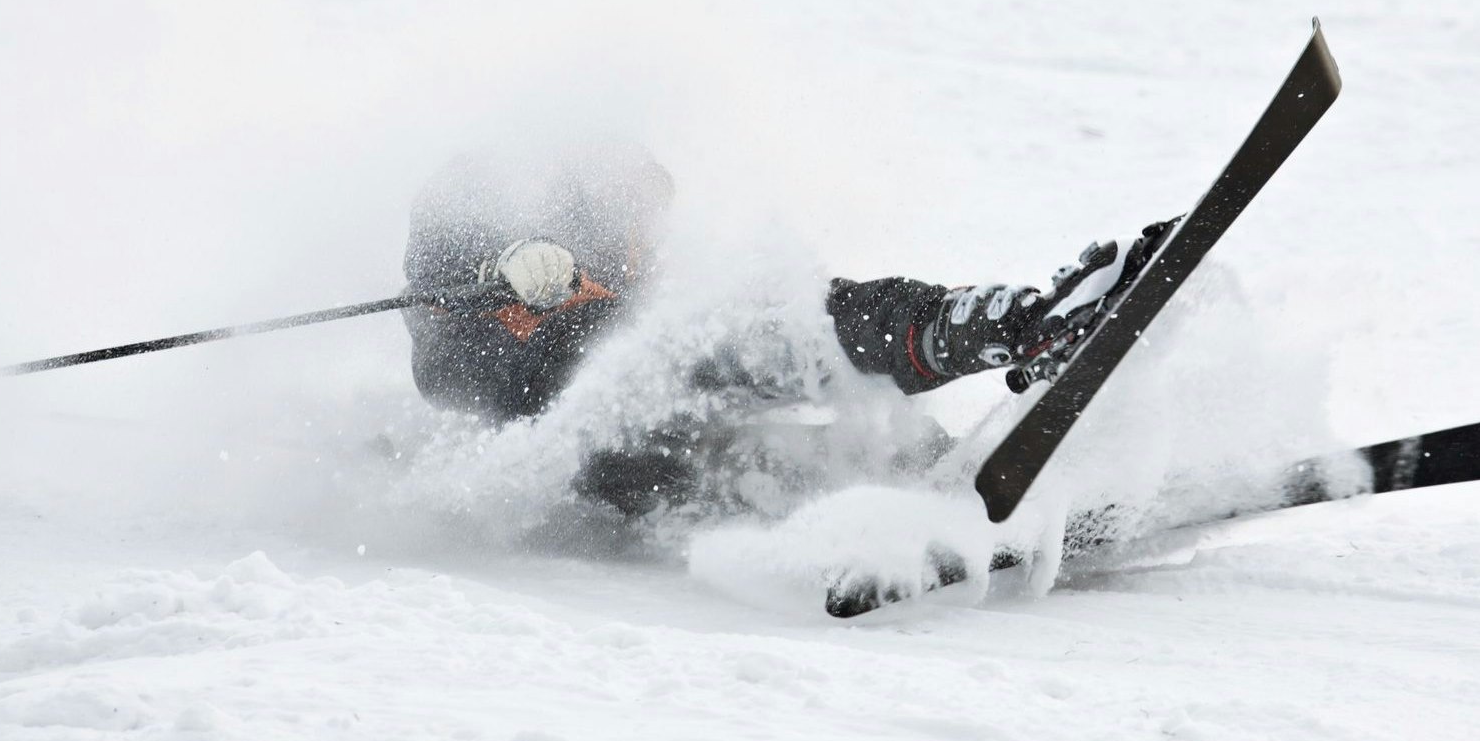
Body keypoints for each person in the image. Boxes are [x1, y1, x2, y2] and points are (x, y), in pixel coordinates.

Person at [401, 147, 1173, 518]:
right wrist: (496, 277)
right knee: (758, 364)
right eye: (630, 205)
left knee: (807, 329)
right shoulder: (483, 200)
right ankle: (1001, 358)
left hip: (681, 404)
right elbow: (443, 362)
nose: (646, 226)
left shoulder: (652, 269)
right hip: (602, 443)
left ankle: (1015, 337)